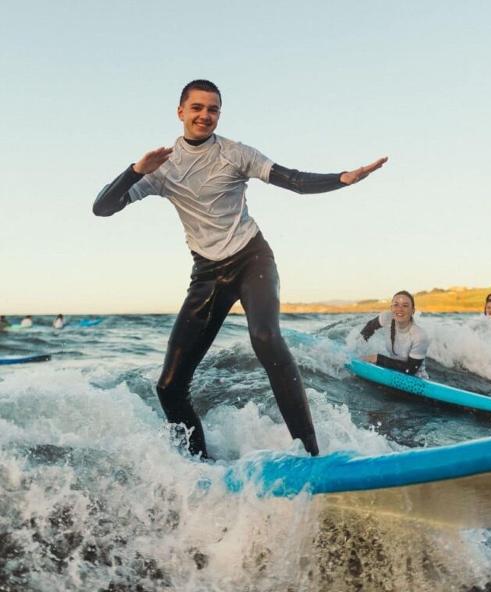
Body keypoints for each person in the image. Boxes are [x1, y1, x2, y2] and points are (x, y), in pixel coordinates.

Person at [93, 79, 387, 460]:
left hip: (252, 260)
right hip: (207, 274)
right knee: (168, 386)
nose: (205, 115)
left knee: (265, 337)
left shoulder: (235, 153)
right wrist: (135, 171)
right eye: (197, 107)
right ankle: (200, 465)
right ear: (180, 112)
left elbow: (293, 180)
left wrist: (342, 178)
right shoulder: (161, 168)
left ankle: (312, 455)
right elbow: (102, 208)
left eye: (213, 109)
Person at [360, 290, 430, 378]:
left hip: (414, 379)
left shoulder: (419, 336)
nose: (400, 309)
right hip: (391, 372)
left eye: (405, 306)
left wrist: (378, 359)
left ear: (413, 310)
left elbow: (410, 369)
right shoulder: (386, 317)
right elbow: (366, 330)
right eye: (396, 305)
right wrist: (358, 349)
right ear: (391, 308)